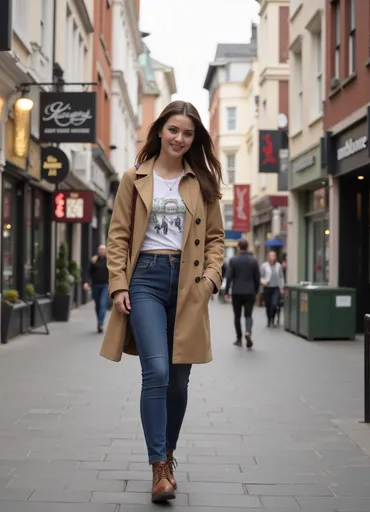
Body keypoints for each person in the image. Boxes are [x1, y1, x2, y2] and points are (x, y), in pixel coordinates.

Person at [100, 101, 224, 502]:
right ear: (159, 131)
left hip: (190, 283)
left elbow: (218, 239)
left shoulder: (201, 180)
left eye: (188, 133)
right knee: (156, 371)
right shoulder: (133, 178)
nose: (180, 139)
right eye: (173, 130)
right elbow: (118, 236)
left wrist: (209, 279)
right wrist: (119, 285)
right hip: (146, 280)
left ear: (194, 138)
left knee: (180, 378)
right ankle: (158, 468)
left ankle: (168, 455)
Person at [225, 238, 260, 348]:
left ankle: (239, 339)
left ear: (238, 247)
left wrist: (226, 292)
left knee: (237, 316)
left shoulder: (233, 260)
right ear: (247, 247)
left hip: (237, 292)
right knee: (248, 315)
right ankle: (248, 332)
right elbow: (257, 278)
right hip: (250, 292)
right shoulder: (253, 261)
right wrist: (256, 291)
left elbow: (229, 277)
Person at [260, 251, 285, 327]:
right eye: (270, 256)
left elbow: (281, 277)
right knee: (268, 305)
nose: (272, 257)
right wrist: (263, 282)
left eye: (273, 256)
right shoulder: (264, 266)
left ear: (275, 257)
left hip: (276, 288)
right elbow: (261, 276)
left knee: (274, 304)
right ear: (268, 257)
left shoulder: (278, 266)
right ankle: (268, 320)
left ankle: (272, 319)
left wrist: (281, 287)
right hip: (267, 287)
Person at [88, 244, 109, 333]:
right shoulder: (94, 260)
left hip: (105, 285)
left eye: (103, 249)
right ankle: (99, 321)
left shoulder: (109, 260)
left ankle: (100, 322)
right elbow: (89, 272)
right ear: (98, 251)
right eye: (100, 249)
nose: (101, 251)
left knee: (103, 304)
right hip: (95, 285)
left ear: (106, 251)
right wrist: (87, 283)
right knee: (97, 305)